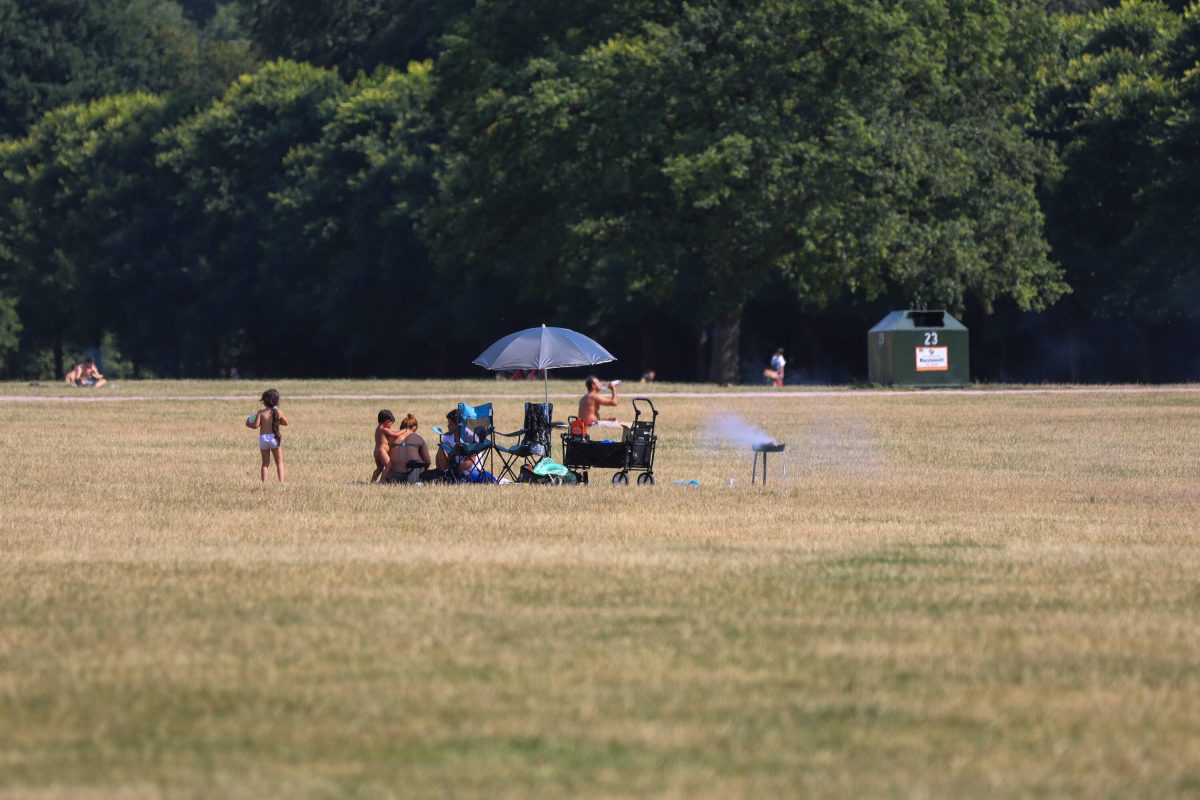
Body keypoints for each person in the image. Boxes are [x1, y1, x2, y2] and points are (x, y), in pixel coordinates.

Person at [435, 408, 496, 483]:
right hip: (455, 467)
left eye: (450, 424)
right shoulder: (448, 436)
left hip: (471, 469)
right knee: (441, 448)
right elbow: (439, 456)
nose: (448, 426)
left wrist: (455, 470)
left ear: (458, 424)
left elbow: (470, 462)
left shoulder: (470, 436)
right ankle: (442, 476)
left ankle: (450, 476)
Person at [246, 388, 289, 482]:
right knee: (279, 462)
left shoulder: (260, 413)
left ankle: (264, 482)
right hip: (274, 438)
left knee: (265, 463)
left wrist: (248, 423)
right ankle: (281, 482)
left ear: (265, 402)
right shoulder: (278, 412)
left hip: (263, 439)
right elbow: (286, 423)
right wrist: (278, 421)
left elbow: (255, 426)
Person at [382, 414, 432, 483]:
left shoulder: (392, 438)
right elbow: (428, 462)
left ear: (401, 427)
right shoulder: (418, 438)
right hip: (412, 477)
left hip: (394, 477)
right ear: (414, 428)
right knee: (418, 457)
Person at [371, 410, 414, 483]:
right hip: (382, 452)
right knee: (388, 466)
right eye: (391, 423)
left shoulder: (378, 429)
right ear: (386, 422)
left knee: (379, 468)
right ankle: (382, 481)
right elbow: (395, 434)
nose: (391, 425)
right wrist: (404, 430)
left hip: (376, 452)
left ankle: (372, 481)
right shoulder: (384, 429)